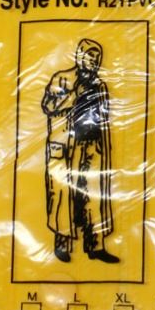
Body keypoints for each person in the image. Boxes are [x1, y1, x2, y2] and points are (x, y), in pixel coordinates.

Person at [41, 38, 118, 264]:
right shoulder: (62, 78)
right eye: (89, 56)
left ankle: (95, 245)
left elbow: (104, 117)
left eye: (97, 58)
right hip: (66, 147)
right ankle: (62, 244)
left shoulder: (100, 85)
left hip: (92, 147)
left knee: (92, 195)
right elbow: (48, 106)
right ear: (79, 57)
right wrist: (73, 94)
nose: (94, 61)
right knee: (63, 196)